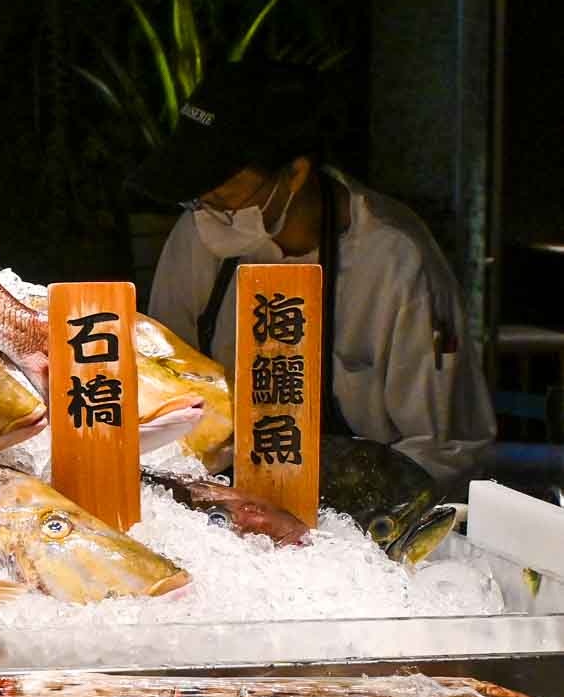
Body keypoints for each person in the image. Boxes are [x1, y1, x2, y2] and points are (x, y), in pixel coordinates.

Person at [129, 62, 496, 491]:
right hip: (225, 486)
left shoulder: (394, 261)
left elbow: (444, 447)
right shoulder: (203, 230)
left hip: (362, 500)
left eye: (223, 192)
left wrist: (342, 502)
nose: (207, 208)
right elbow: (163, 379)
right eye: (199, 196)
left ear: (296, 173)